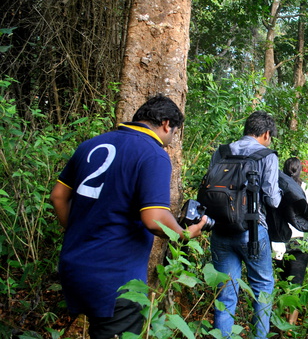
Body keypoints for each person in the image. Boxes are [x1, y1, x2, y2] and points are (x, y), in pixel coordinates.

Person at [49, 95, 207, 339]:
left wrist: (79, 232)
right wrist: (185, 234)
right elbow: (154, 217)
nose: (170, 142)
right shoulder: (153, 154)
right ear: (166, 124)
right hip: (115, 277)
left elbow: (58, 196)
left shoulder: (90, 145)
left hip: (75, 265)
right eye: (174, 133)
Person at [209, 111, 282, 339]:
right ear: (267, 134)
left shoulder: (221, 152)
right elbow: (272, 199)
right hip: (252, 231)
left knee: (225, 292)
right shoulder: (267, 156)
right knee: (262, 287)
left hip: (219, 229)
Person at [274, 157, 308, 325]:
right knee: (296, 283)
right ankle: (290, 324)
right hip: (301, 241)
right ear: (300, 170)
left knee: (282, 282)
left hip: (279, 241)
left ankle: (280, 320)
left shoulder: (277, 186)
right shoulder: (306, 188)